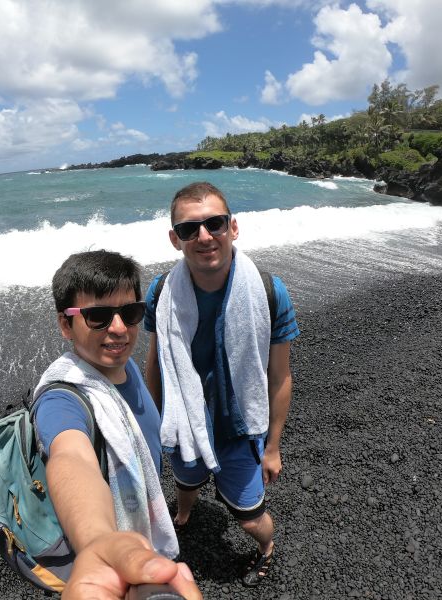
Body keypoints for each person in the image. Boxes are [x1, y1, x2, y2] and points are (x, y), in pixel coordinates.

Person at [144, 182, 300, 587]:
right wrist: (152, 425)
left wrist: (273, 447)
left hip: (238, 429)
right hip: (184, 423)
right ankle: (184, 515)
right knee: (185, 481)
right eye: (189, 229)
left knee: (250, 518)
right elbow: (155, 363)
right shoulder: (161, 292)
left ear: (233, 228)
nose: (204, 237)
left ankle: (266, 548)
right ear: (175, 239)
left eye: (214, 224)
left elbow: (280, 376)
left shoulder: (268, 292)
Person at [32, 249, 201, 600]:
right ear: (66, 324)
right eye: (98, 316)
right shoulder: (61, 399)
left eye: (130, 312)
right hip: (105, 547)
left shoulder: (126, 368)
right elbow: (71, 457)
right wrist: (98, 542)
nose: (120, 328)